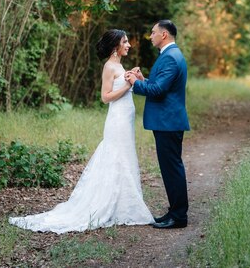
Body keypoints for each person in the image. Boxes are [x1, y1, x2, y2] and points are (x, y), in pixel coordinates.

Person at [9, 29, 154, 233]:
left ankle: (124, 206)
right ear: (116, 46)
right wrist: (127, 85)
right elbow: (105, 97)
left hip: (126, 118)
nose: (129, 45)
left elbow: (133, 87)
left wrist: (137, 78)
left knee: (125, 156)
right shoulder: (109, 66)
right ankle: (109, 204)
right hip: (117, 119)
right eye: (125, 41)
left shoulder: (120, 65)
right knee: (116, 156)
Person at [125, 19, 190, 229]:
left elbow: (158, 91)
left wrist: (135, 83)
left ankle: (179, 217)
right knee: (169, 168)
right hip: (166, 122)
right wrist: (143, 79)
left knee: (172, 169)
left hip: (168, 122)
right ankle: (174, 212)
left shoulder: (171, 57)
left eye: (153, 33)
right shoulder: (169, 56)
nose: (150, 36)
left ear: (164, 35)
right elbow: (158, 85)